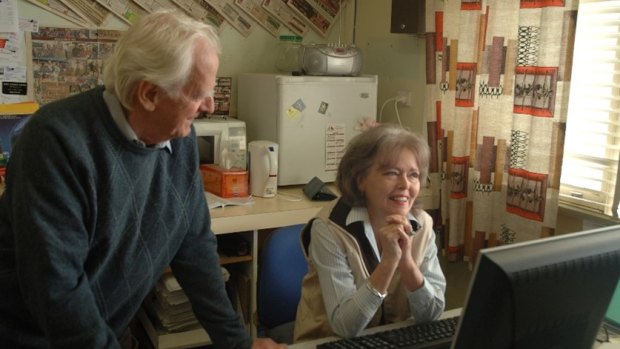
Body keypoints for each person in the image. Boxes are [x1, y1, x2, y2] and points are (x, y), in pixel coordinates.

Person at [0, 10, 286, 349]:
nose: (209, 106)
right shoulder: (55, 142)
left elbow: (194, 248)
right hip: (35, 338)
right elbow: (57, 291)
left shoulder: (179, 139)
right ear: (149, 94)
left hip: (109, 331)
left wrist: (239, 343)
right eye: (198, 94)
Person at [293, 123, 447, 342]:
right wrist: (388, 263)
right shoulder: (329, 229)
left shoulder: (423, 224)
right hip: (329, 342)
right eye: (392, 173)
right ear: (360, 179)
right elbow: (345, 326)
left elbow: (432, 314)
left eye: (413, 175)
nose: (405, 184)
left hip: (392, 340)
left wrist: (408, 264)